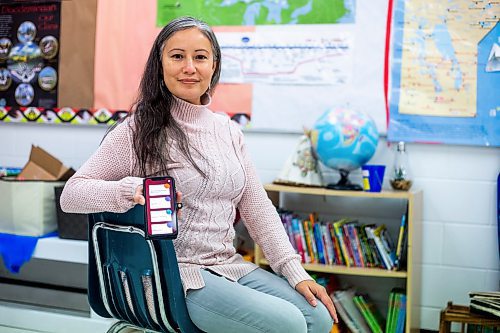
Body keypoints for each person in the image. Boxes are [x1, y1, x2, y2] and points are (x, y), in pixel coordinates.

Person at [60, 16, 338, 333]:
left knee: (317, 318)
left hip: (225, 265)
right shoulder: (137, 131)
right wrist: (131, 189)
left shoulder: (229, 131)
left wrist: (295, 272)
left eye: (200, 57)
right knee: (288, 324)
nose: (189, 67)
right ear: (160, 65)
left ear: (213, 66)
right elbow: (72, 194)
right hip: (171, 275)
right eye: (177, 56)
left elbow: (257, 208)